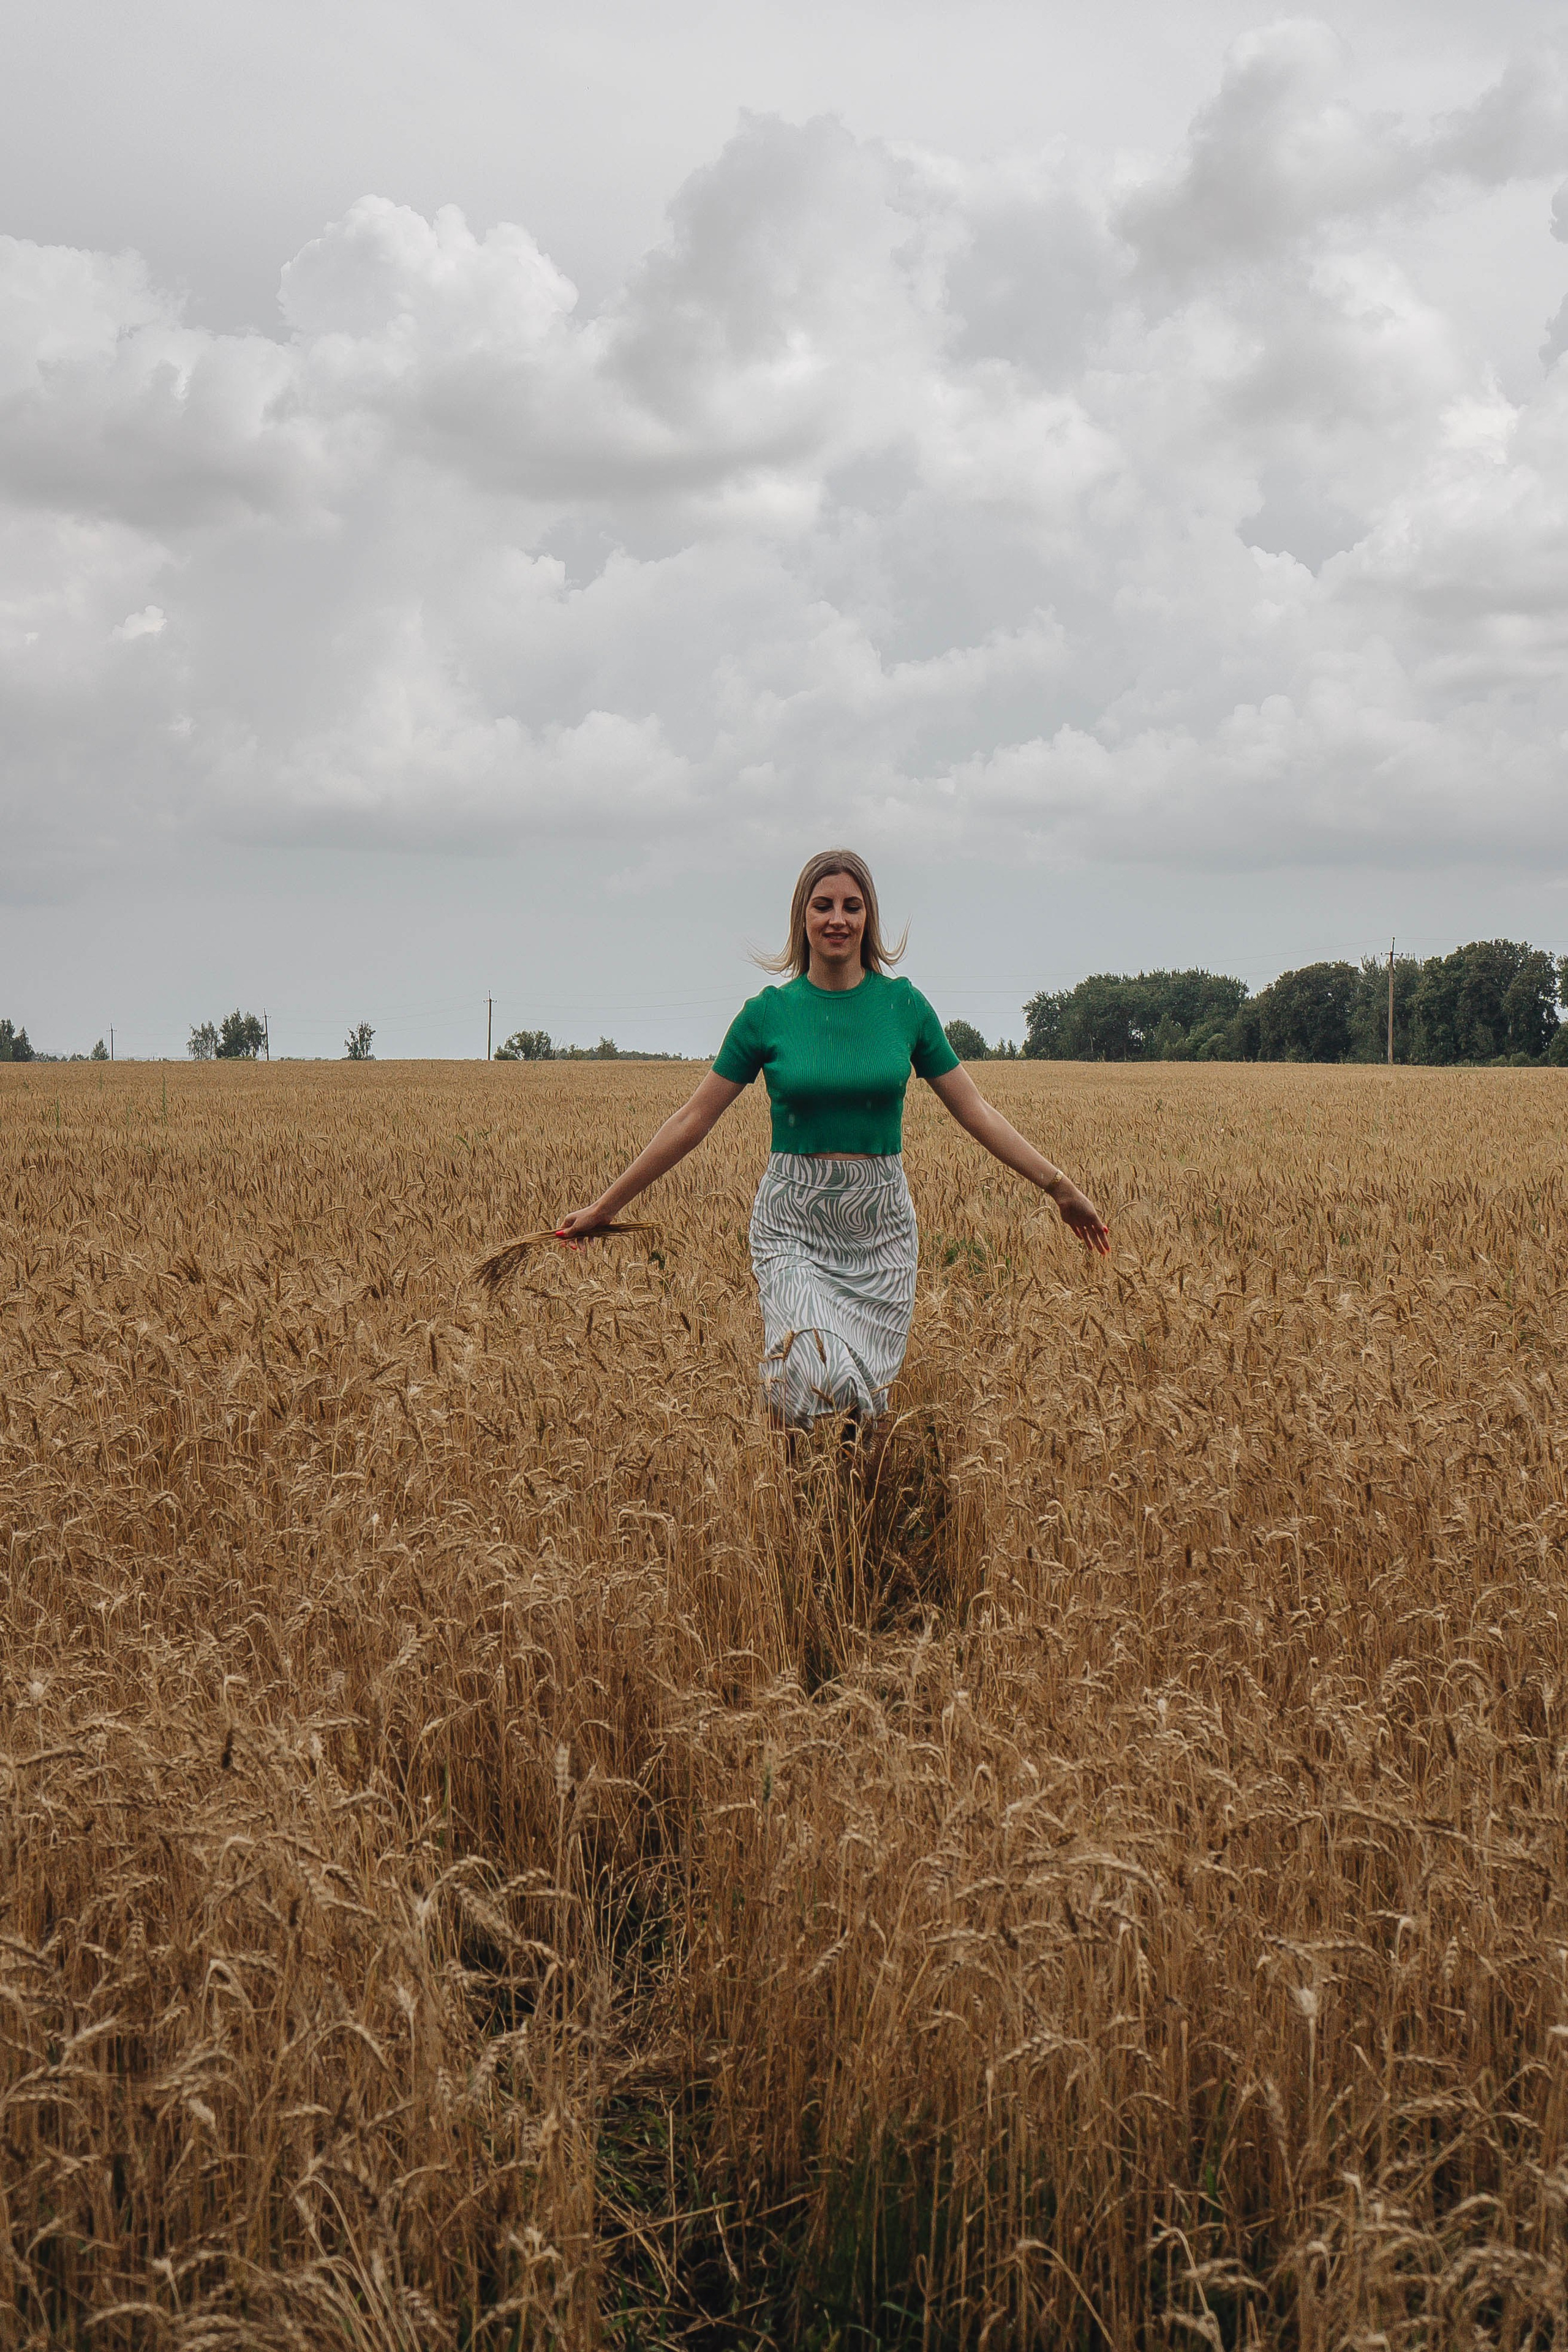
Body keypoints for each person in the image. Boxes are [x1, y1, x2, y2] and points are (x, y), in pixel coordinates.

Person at [556, 849, 1109, 1429]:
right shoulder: (767, 1015)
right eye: (823, 906)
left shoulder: (905, 1007)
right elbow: (692, 1121)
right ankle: (785, 1491)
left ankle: (845, 1511)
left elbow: (977, 1112)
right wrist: (604, 1207)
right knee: (811, 1367)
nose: (837, 919)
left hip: (881, 1227)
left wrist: (1059, 1186)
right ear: (802, 917)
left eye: (852, 906)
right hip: (794, 1222)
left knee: (863, 1406)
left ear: (869, 917)